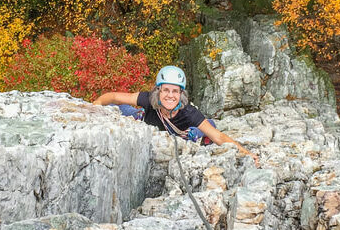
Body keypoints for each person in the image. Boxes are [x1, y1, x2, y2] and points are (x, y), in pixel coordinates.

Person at [93, 65, 259, 165]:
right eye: (165, 90)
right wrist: (94, 106)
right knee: (117, 107)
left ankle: (196, 135)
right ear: (158, 91)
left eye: (175, 91)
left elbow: (219, 137)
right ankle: (139, 114)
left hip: (180, 134)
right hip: (144, 120)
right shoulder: (149, 99)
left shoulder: (188, 113)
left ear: (181, 94)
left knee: (208, 125)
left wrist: (246, 153)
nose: (170, 95)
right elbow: (114, 97)